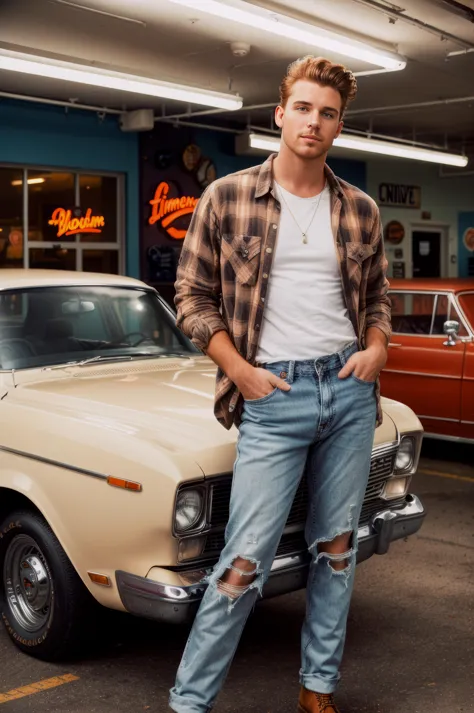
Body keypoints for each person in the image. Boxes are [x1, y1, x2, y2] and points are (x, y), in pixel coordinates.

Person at [170, 55, 391, 713]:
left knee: (336, 550)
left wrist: (377, 347)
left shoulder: (360, 209)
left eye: (327, 113)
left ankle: (317, 688)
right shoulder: (228, 195)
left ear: (339, 125)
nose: (313, 122)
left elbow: (377, 294)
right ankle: (190, 700)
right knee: (242, 563)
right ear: (279, 113)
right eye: (303, 107)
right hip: (273, 395)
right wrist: (238, 370)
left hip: (349, 391)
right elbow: (190, 295)